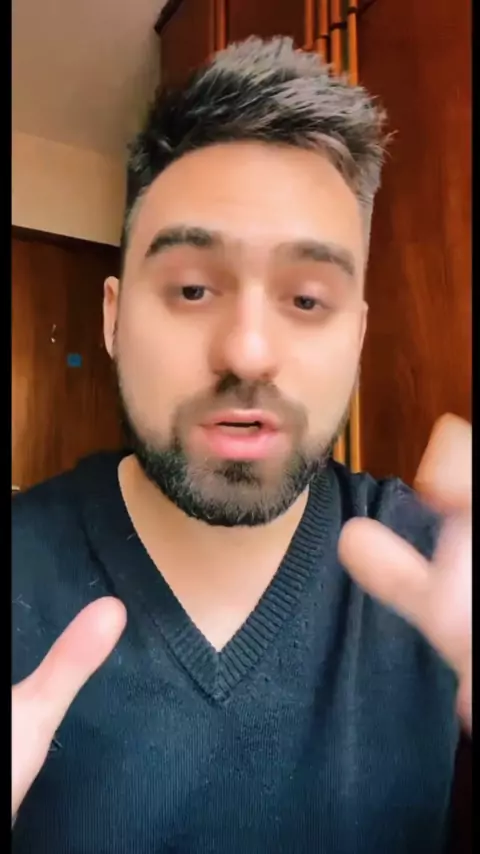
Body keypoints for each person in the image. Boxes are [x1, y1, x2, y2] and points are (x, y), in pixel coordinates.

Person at [12, 37, 471, 854]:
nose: (249, 351)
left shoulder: (446, 585)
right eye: (192, 288)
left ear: (359, 336)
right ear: (113, 318)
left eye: (307, 298)